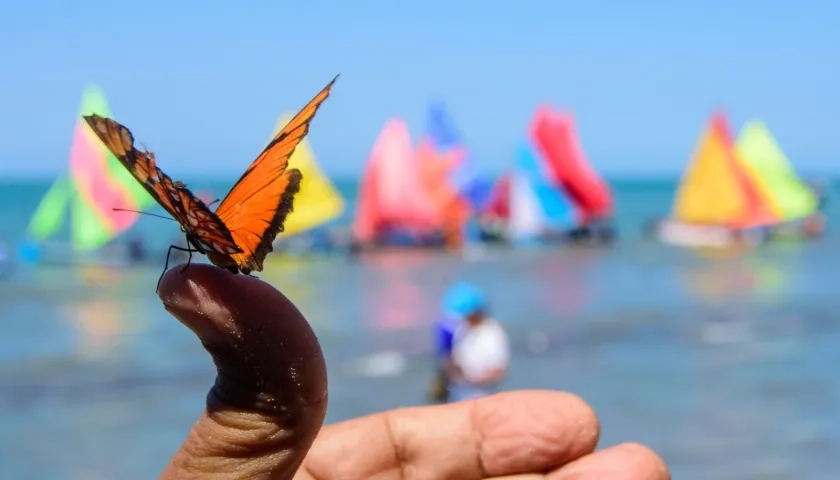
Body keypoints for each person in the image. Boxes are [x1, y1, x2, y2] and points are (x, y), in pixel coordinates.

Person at [154, 264, 670, 479]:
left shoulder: (489, 333)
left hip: (475, 391)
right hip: (457, 389)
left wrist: (464, 373)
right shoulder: (461, 328)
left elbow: (495, 369)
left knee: (489, 438)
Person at [446, 284, 511, 402]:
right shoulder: (461, 330)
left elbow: (498, 372)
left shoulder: (492, 333)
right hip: (460, 400)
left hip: (485, 402)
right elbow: (455, 362)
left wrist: (469, 380)